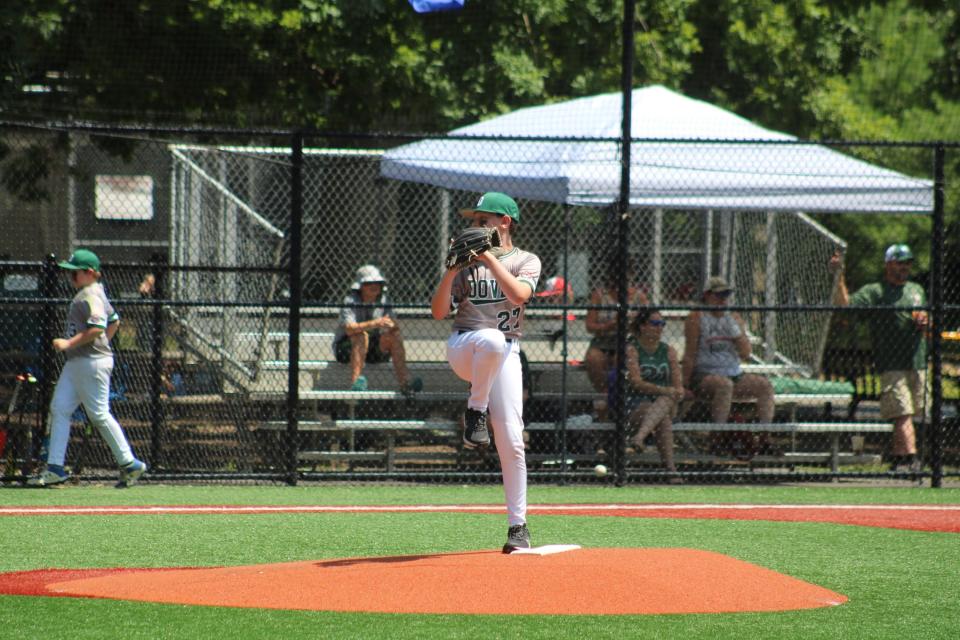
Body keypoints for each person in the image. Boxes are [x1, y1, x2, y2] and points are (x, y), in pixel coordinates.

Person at [431, 192, 541, 553]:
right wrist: (451, 269)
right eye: (474, 220)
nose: (476, 226)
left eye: (483, 219)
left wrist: (490, 259)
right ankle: (476, 410)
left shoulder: (526, 260)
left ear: (504, 221)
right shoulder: (465, 264)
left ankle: (518, 527)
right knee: (491, 339)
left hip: (507, 353)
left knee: (511, 438)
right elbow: (437, 313)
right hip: (465, 347)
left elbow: (520, 295)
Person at [27, 249, 147, 488]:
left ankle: (130, 464)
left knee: (99, 414)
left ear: (90, 273)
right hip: (78, 362)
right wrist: (98, 345)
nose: (71, 278)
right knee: (60, 408)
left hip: (89, 362)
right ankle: (55, 468)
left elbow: (98, 327)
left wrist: (69, 343)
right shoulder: (92, 292)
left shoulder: (90, 294)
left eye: (75, 273)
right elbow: (114, 321)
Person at [831, 244, 928, 472]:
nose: (905, 267)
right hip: (891, 363)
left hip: (917, 361)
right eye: (900, 262)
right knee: (902, 412)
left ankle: (897, 458)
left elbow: (927, 322)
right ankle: (911, 459)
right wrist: (839, 274)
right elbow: (846, 308)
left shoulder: (916, 290)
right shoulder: (875, 291)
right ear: (888, 264)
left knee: (911, 414)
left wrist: (925, 321)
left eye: (908, 262)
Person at [682, 276, 775, 452]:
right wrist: (685, 383)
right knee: (724, 385)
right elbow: (690, 354)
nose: (723, 300)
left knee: (764, 386)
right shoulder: (696, 318)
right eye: (719, 295)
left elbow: (746, 354)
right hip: (705, 374)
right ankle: (717, 438)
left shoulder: (734, 317)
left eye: (726, 295)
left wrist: (736, 332)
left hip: (733, 373)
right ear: (707, 296)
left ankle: (765, 437)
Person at [333, 264, 421, 394]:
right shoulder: (350, 301)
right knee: (361, 336)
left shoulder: (384, 300)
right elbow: (350, 329)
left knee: (394, 337)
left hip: (373, 351)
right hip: (347, 348)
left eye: (378, 283)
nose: (374, 286)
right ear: (360, 286)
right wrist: (375, 323)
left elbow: (394, 324)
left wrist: (393, 326)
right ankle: (355, 383)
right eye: (369, 283)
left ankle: (405, 383)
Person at [624, 308, 688, 482]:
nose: (659, 328)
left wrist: (672, 391)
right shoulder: (632, 349)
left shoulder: (668, 351)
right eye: (655, 324)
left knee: (666, 401)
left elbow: (678, 387)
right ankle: (671, 470)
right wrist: (663, 390)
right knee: (663, 418)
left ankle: (639, 438)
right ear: (643, 327)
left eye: (662, 324)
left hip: (668, 403)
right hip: (637, 403)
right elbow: (636, 382)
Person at [584, 266, 648, 419]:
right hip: (603, 340)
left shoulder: (639, 297)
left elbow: (648, 322)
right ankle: (606, 394)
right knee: (593, 358)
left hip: (628, 339)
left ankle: (620, 396)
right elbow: (589, 326)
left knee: (620, 357)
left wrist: (631, 325)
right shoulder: (600, 295)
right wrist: (610, 325)